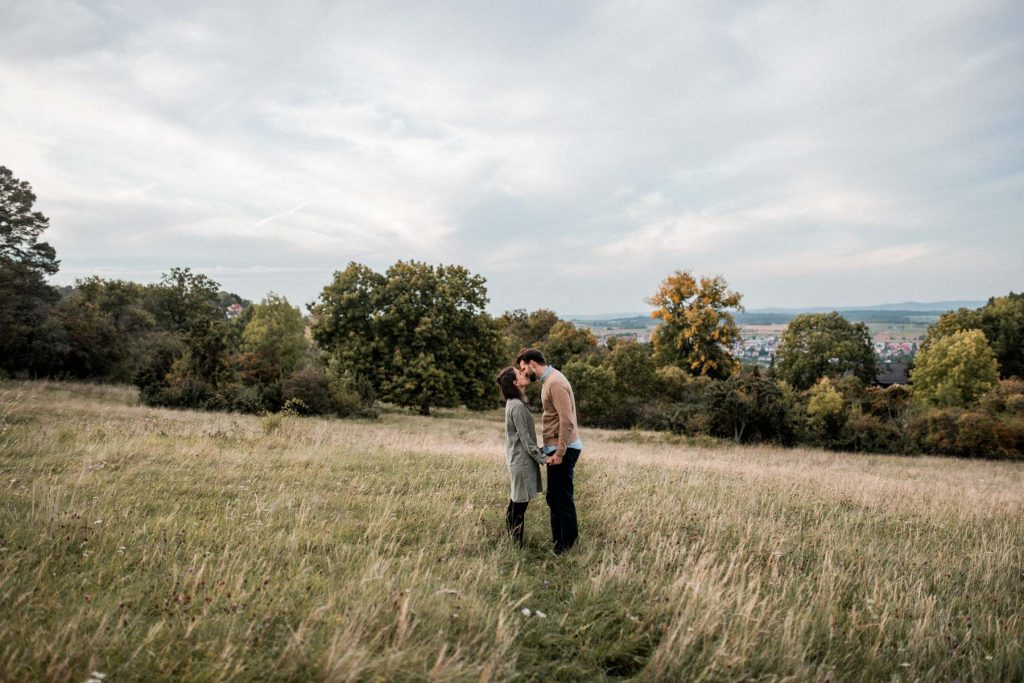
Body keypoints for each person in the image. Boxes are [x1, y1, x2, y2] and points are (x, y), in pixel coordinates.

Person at [516, 348, 582, 554]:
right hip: (555, 448)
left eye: (524, 368)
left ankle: (567, 548)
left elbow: (567, 420)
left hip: (563, 449)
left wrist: (560, 453)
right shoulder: (548, 381)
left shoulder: (555, 382)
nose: (524, 373)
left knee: (561, 499)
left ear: (532, 363)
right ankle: (559, 544)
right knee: (554, 498)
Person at [496, 365, 550, 547]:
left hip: (518, 459)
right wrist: (543, 458)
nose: (524, 373)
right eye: (520, 373)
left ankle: (512, 542)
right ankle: (516, 545)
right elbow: (525, 439)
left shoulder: (515, 402)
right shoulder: (517, 406)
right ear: (515, 383)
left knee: (515, 503)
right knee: (519, 506)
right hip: (521, 461)